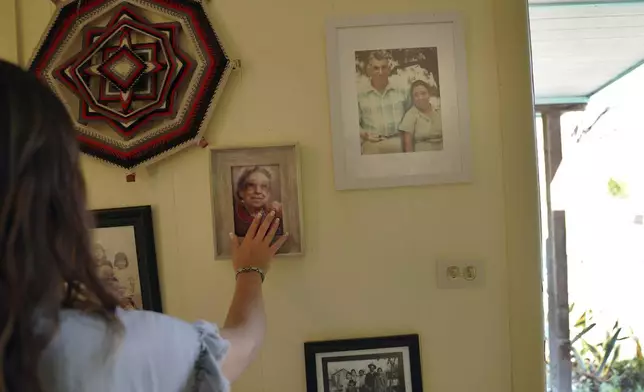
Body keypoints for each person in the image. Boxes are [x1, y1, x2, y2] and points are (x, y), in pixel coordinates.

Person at [0, 59, 288, 392]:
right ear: (58, 196)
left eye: (263, 188)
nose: (257, 193)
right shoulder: (107, 348)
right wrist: (250, 272)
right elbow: (242, 344)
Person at [357, 50, 408, 155]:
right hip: (372, 143)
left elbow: (412, 115)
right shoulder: (360, 94)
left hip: (398, 142)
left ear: (389, 69)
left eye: (384, 67)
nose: (380, 72)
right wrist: (364, 134)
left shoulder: (402, 89)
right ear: (370, 70)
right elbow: (352, 123)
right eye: (376, 68)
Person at [233, 166, 284, 238]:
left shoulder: (276, 215)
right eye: (251, 185)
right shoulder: (234, 217)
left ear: (269, 193)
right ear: (241, 191)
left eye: (264, 186)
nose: (258, 191)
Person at [399, 79, 443, 153]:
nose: (420, 97)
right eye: (416, 95)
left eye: (423, 93)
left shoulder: (439, 110)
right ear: (412, 98)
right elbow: (407, 145)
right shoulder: (410, 115)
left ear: (429, 94)